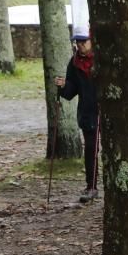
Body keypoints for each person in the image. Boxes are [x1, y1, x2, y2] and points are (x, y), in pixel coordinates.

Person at [55, 29, 100, 203]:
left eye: (84, 42)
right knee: (90, 150)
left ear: (92, 41)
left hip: (107, 111)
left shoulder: (102, 58)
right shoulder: (74, 64)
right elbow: (70, 92)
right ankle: (91, 187)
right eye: (78, 42)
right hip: (87, 112)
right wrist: (63, 85)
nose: (80, 45)